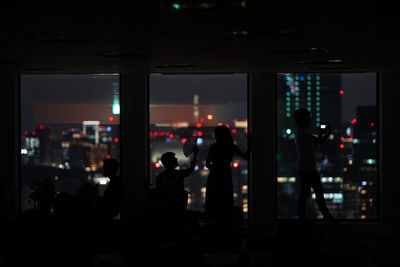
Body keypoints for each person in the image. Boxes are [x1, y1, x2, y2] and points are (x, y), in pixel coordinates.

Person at [293, 108, 334, 220]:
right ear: (303, 120)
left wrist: (322, 135)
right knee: (316, 193)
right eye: (307, 118)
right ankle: (327, 216)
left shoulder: (301, 135)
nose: (309, 120)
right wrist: (327, 133)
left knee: (306, 194)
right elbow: (318, 142)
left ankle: (302, 217)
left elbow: (316, 143)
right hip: (308, 170)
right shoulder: (304, 135)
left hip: (305, 169)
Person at [205, 125, 250, 221]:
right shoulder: (231, 147)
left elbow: (208, 164)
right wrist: (250, 143)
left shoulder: (213, 147)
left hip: (214, 174)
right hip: (226, 174)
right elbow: (246, 156)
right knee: (226, 197)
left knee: (214, 198)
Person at [96, 158, 122, 229]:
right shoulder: (115, 182)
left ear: (109, 169)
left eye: (104, 167)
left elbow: (108, 201)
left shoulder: (114, 184)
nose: (103, 170)